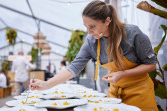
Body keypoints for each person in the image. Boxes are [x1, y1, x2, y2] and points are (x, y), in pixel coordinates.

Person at [30, 1, 158, 111]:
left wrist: (122, 74)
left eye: (92, 26)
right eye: (86, 27)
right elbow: (74, 67)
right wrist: (47, 84)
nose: (89, 32)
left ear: (107, 20)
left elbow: (151, 65)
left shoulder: (132, 33)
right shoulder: (92, 41)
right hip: (115, 95)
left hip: (140, 92)